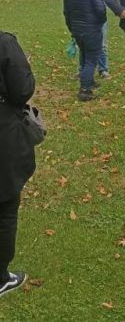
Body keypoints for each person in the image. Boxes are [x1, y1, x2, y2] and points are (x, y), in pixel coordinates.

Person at [0, 31, 36, 296]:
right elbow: (22, 90)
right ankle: (1, 277)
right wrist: (26, 70)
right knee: (5, 206)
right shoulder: (4, 43)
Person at [63, 0, 107, 101]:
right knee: (91, 60)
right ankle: (85, 90)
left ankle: (89, 81)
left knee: (84, 54)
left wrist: (71, 27)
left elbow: (66, 12)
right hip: (92, 29)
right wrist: (100, 23)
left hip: (77, 29)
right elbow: (101, 10)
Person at [68, 0, 110, 79]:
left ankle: (103, 69)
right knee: (82, 44)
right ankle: (82, 70)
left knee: (101, 43)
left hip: (97, 13)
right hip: (81, 14)